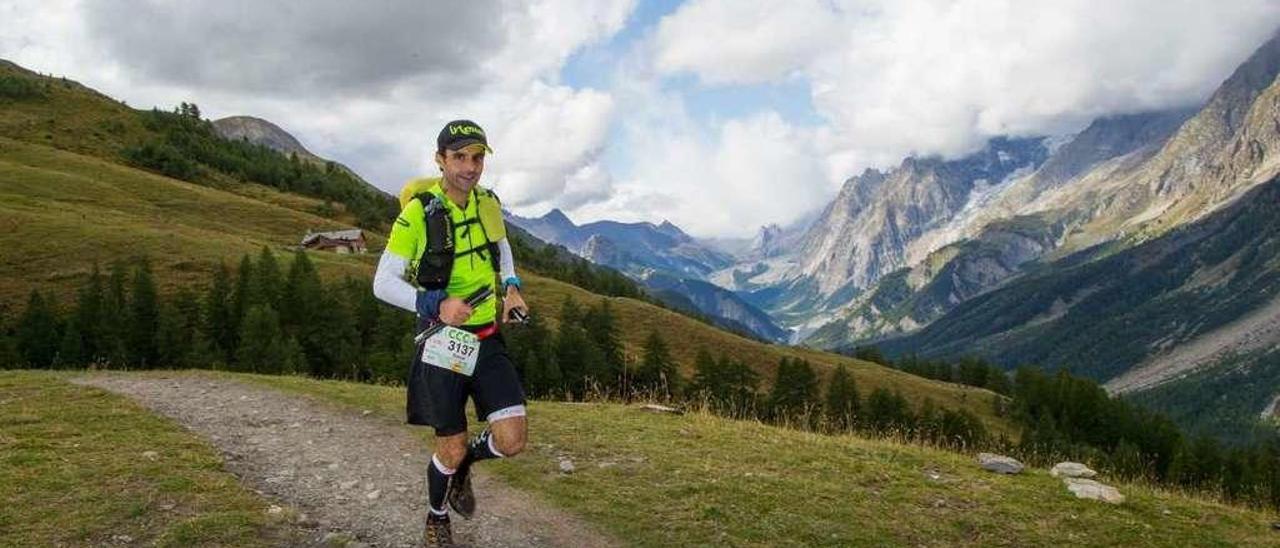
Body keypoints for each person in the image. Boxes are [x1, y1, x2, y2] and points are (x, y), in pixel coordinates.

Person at [372, 119, 529, 547]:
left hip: (488, 336)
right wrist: (435, 305)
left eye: (477, 158)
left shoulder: (487, 203)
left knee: (512, 440)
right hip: (443, 343)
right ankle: (436, 516)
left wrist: (511, 289)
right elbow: (381, 283)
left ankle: (464, 467)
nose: (470, 167)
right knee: (450, 445)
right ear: (440, 160)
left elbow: (502, 249)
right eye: (459, 157)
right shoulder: (418, 212)